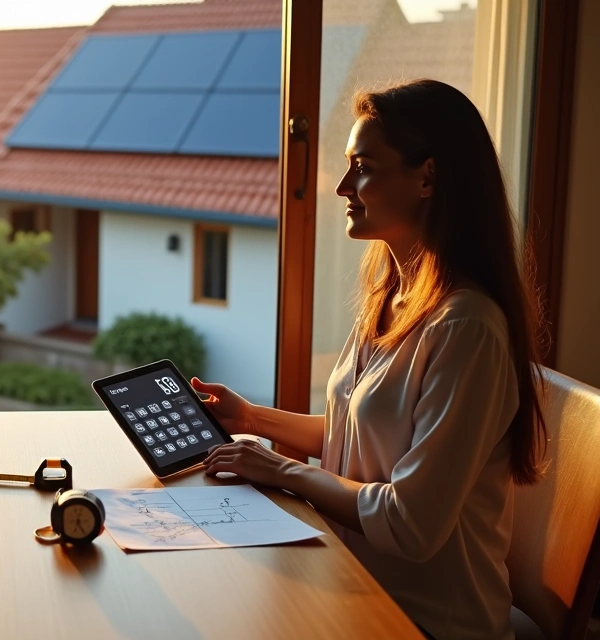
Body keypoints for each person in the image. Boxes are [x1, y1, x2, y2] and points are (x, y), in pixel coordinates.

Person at [192, 79, 545, 640]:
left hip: (425, 620)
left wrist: (279, 468)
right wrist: (253, 421)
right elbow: (359, 438)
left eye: (364, 167)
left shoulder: (467, 329)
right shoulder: (390, 299)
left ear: (427, 176)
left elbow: (410, 524)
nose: (340, 186)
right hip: (350, 578)